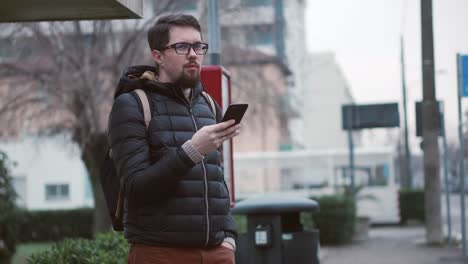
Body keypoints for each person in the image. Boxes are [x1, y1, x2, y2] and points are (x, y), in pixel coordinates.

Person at [108, 14, 240, 264]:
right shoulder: (133, 105)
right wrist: (192, 150)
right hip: (160, 253)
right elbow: (136, 188)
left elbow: (216, 180)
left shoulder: (209, 105)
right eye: (182, 46)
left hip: (217, 253)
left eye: (198, 46)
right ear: (157, 56)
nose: (193, 54)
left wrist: (229, 237)